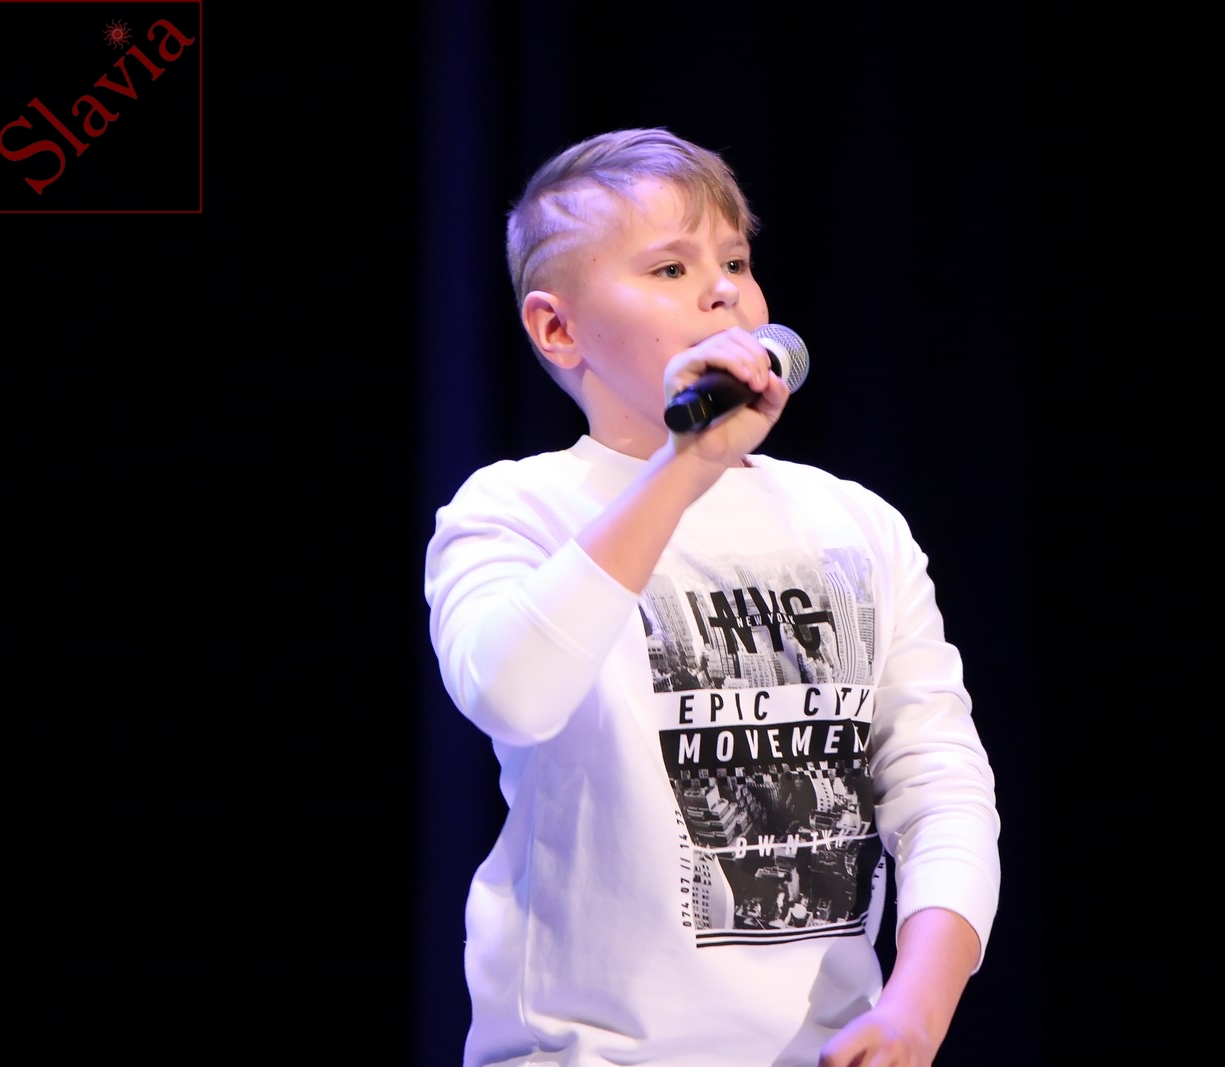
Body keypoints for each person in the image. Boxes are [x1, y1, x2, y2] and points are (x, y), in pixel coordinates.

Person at [423, 127, 1001, 1067]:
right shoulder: (517, 509)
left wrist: (914, 1011)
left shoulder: (854, 522)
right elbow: (512, 693)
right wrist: (685, 465)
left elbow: (941, 787)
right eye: (670, 267)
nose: (723, 290)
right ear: (558, 328)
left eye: (735, 261)